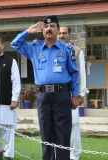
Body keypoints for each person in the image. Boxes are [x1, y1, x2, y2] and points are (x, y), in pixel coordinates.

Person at [10, 15, 80, 160]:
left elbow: (74, 73)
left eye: (52, 26)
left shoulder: (67, 49)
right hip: (43, 97)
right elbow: (15, 44)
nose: (49, 29)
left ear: (57, 30)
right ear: (42, 30)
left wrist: (74, 96)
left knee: (63, 133)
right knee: (45, 132)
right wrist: (28, 31)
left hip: (62, 95)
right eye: (46, 27)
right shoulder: (34, 48)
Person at [58, 26, 89, 160]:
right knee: (58, 125)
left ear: (70, 35)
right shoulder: (53, 50)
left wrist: (81, 95)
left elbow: (81, 73)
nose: (61, 36)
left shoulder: (77, 51)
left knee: (73, 124)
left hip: (72, 95)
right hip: (57, 95)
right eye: (59, 33)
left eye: (64, 33)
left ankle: (74, 155)